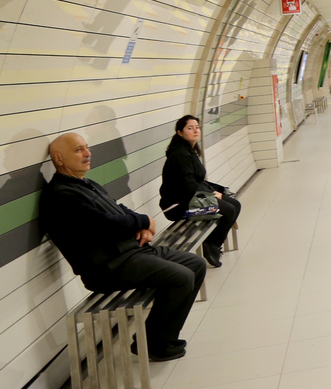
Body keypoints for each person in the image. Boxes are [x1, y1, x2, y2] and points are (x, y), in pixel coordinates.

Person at [40, 133, 205, 362]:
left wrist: (142, 223)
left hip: (132, 252)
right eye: (79, 150)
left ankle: (160, 337)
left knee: (196, 264)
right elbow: (102, 224)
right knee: (181, 277)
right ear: (58, 158)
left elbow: (119, 209)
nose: (88, 154)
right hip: (109, 267)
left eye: (87, 148)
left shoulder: (86, 184)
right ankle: (153, 344)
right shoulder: (61, 194)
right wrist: (144, 222)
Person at [159, 115, 240, 267]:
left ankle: (213, 243)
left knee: (235, 204)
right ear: (180, 133)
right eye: (190, 128)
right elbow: (189, 186)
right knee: (228, 210)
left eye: (197, 127)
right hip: (178, 206)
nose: (195, 130)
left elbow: (198, 182)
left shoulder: (189, 151)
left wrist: (218, 191)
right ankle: (212, 244)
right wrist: (211, 195)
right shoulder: (180, 155)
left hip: (189, 199)